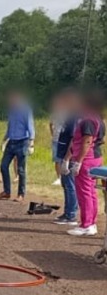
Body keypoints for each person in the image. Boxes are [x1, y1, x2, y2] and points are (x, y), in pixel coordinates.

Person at [62, 93, 104, 237]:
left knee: (84, 192)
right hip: (94, 157)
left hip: (87, 159)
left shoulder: (87, 120)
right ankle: (91, 222)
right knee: (91, 192)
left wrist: (78, 161)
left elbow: (86, 141)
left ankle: (86, 224)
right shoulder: (97, 118)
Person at [0, 91, 35, 202]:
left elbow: (30, 125)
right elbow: (10, 126)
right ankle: (6, 191)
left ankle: (21, 194)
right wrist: (4, 141)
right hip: (11, 141)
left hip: (22, 141)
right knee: (3, 166)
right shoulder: (11, 110)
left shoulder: (25, 109)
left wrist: (31, 142)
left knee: (21, 169)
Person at [51, 90, 79, 226]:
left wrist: (67, 158)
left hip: (69, 155)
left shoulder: (74, 117)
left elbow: (74, 139)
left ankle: (71, 214)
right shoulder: (70, 116)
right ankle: (68, 211)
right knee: (66, 184)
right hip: (63, 152)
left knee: (69, 185)